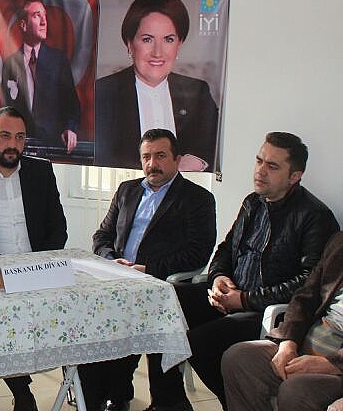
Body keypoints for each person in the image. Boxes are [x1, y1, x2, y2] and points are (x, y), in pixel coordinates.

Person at [174, 132, 338, 408]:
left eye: (272, 166)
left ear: (295, 176)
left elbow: (307, 283)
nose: (260, 171)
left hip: (263, 309)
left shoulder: (314, 217)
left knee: (199, 342)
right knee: (169, 300)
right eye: (259, 161)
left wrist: (244, 299)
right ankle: (168, 399)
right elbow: (226, 248)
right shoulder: (253, 202)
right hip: (231, 293)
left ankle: (236, 401)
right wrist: (219, 278)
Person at [78, 128, 217, 411]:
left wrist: (148, 269)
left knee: (136, 319)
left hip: (159, 285)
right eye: (146, 157)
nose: (152, 164)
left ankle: (162, 400)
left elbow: (198, 252)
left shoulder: (197, 199)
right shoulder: (127, 190)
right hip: (118, 280)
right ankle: (107, 393)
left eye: (160, 156)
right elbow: (102, 236)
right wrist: (110, 260)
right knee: (86, 322)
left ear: (177, 159)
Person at [0, 106, 69, 411]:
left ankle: (80, 382)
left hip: (38, 267)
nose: (13, 144)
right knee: (5, 318)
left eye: (20, 137)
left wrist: (41, 266)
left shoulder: (41, 172)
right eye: (4, 136)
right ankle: (22, 389)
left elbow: (57, 228)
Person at [95, 0, 219, 171]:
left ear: (179, 44)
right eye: (147, 39)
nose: (158, 52)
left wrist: (197, 161)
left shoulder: (198, 91)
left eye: (168, 39)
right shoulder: (103, 92)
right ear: (129, 44)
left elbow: (213, 144)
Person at [222, 231, 343, 411]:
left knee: (296, 391)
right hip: (312, 340)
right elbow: (305, 296)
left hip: (337, 364)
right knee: (239, 358)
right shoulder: (339, 242)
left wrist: (333, 365)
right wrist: (289, 342)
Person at [0, 0, 80, 152]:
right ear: (23, 25)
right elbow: (5, 108)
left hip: (52, 145)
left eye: (45, 16)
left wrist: (70, 128)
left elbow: (72, 104)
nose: (44, 22)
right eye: (37, 16)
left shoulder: (58, 60)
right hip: (20, 146)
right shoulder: (10, 63)